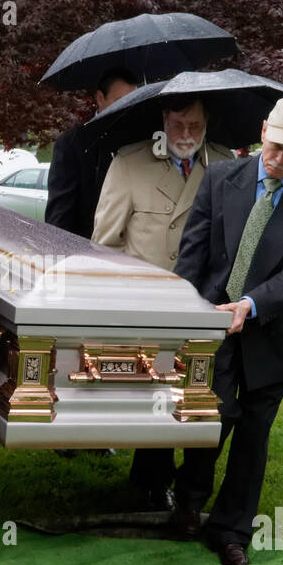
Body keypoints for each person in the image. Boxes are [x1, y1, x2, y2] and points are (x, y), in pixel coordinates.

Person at [174, 98, 283, 565]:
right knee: (212, 420)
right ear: (262, 128)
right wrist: (184, 312)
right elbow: (193, 252)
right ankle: (188, 502)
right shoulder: (218, 178)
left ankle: (232, 531)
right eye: (274, 146)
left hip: (271, 338)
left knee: (252, 433)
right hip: (211, 328)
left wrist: (250, 306)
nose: (278, 159)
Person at [92, 95, 236, 513]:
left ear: (207, 121)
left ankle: (187, 491)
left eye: (194, 125)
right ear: (163, 121)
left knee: (198, 397)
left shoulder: (226, 166)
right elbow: (104, 244)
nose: (185, 135)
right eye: (177, 125)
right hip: (145, 303)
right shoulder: (130, 163)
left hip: (203, 303)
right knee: (156, 392)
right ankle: (151, 481)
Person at [44, 67, 138, 238]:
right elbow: (59, 216)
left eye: (132, 101)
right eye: (120, 101)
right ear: (100, 98)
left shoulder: (142, 140)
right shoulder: (71, 144)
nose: (127, 108)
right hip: (87, 251)